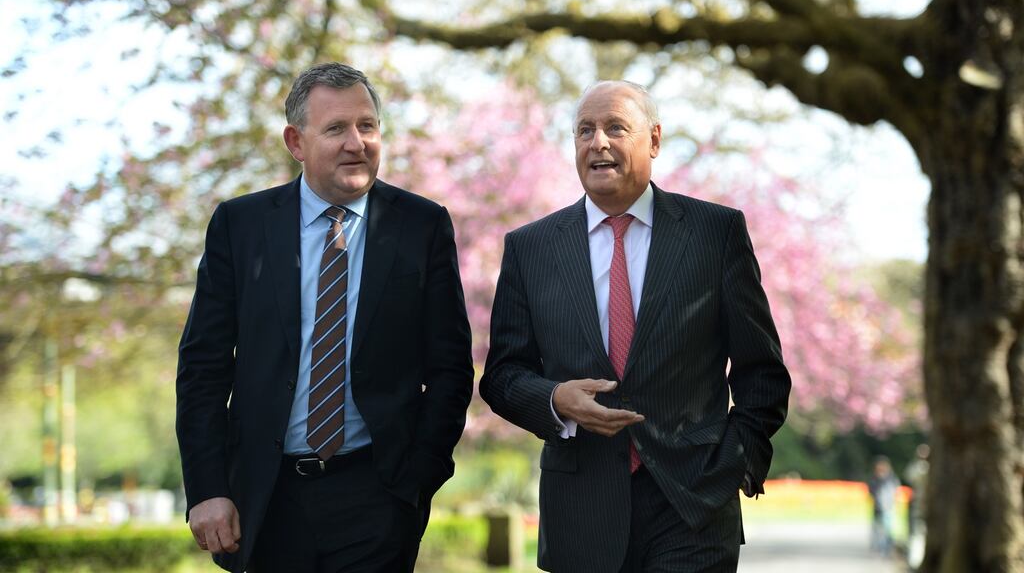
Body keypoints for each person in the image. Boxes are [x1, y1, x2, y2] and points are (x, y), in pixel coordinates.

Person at [480, 81, 792, 572]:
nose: (597, 142)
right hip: (581, 511)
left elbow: (762, 371)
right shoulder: (531, 248)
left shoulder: (715, 233)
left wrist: (736, 459)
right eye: (585, 130)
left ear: (654, 140)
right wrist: (556, 399)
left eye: (614, 128)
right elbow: (501, 375)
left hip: (693, 506)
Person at [176, 62, 474, 573]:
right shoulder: (240, 226)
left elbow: (449, 368)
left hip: (377, 495)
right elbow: (203, 367)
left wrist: (417, 479)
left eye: (367, 126)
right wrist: (207, 489)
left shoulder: (421, 225)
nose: (356, 142)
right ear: (296, 142)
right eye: (336, 128)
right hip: (267, 500)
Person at [868, 455, 900, 556]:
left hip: (888, 507)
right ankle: (877, 547)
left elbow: (895, 490)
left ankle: (887, 549)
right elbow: (871, 490)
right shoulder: (875, 478)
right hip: (877, 507)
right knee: (877, 528)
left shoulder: (891, 478)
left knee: (887, 529)